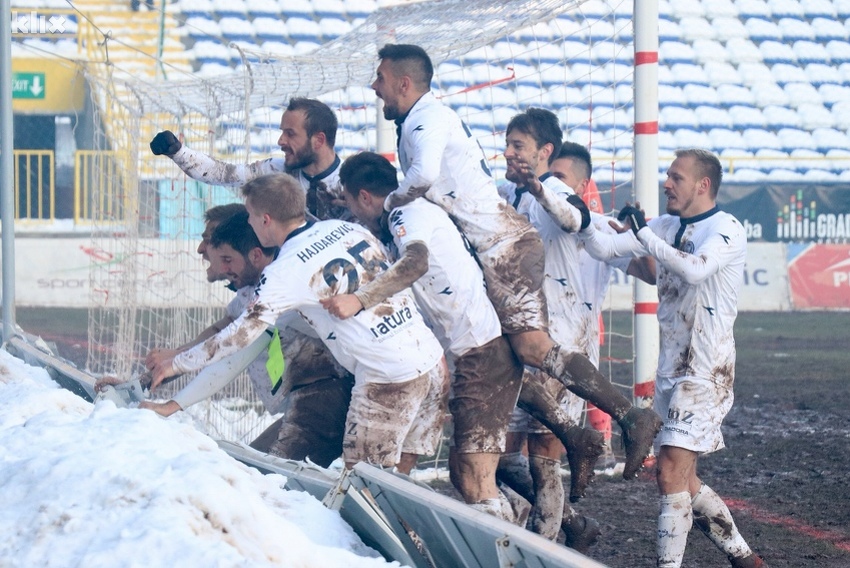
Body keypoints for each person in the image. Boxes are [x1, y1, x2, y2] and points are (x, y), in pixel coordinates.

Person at [371, 43, 662, 482]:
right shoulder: (441, 135)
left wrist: (390, 203)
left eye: (380, 78)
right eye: (507, 144)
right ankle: (577, 451)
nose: (375, 87)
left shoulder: (430, 120)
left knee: (527, 349)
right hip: (495, 253)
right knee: (498, 354)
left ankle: (625, 418)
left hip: (507, 253)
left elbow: (426, 176)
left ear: (403, 81)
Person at [146, 173, 449, 474]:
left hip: (387, 377)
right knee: (400, 479)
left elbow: (238, 338)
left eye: (250, 216)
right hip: (431, 359)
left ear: (265, 220)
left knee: (362, 485)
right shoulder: (344, 228)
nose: (249, 222)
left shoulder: (283, 272)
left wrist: (175, 365)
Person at [580, 149, 768, 568]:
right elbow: (607, 247)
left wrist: (645, 236)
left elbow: (696, 270)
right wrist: (576, 217)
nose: (667, 183)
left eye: (676, 177)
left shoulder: (726, 229)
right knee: (684, 478)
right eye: (667, 175)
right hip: (670, 371)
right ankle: (744, 558)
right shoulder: (665, 226)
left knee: (667, 474)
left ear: (702, 185)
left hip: (706, 370)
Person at [327, 150, 525, 520]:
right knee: (466, 474)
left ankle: (522, 546)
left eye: (353, 204)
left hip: (481, 352)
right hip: (473, 352)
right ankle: (526, 527)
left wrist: (359, 299)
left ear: (365, 197)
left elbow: (415, 262)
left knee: (472, 478)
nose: (353, 214)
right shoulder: (411, 212)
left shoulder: (407, 214)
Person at [141, 209, 354, 467]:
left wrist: (173, 405)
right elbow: (224, 329)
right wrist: (154, 375)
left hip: (325, 400)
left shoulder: (278, 289)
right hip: (313, 401)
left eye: (213, 243)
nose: (203, 249)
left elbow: (233, 355)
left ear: (252, 250)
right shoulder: (254, 287)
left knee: (251, 477)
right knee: (249, 474)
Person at [549, 140, 658, 470]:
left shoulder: (600, 227)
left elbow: (649, 274)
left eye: (561, 177)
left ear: (582, 186)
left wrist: (639, 235)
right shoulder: (536, 220)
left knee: (545, 452)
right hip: (532, 342)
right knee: (518, 451)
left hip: (573, 349)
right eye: (548, 177)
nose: (552, 185)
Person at [149, 98, 348, 221]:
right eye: (282, 133)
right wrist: (178, 152)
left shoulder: (351, 183)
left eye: (290, 134)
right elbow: (222, 173)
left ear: (319, 140)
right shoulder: (276, 171)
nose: (281, 141)